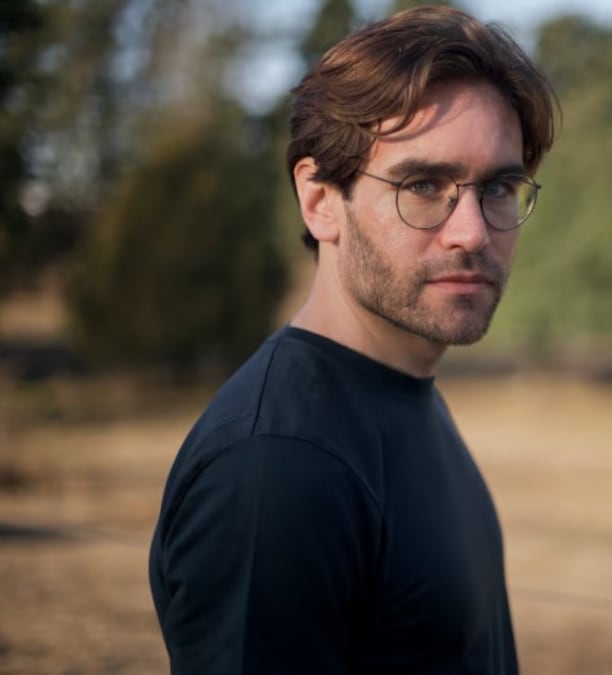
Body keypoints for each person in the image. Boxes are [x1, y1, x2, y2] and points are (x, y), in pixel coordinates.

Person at [148, 6, 557, 674]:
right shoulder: (276, 467)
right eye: (422, 185)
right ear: (319, 200)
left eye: (499, 187)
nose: (473, 232)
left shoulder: (402, 393)